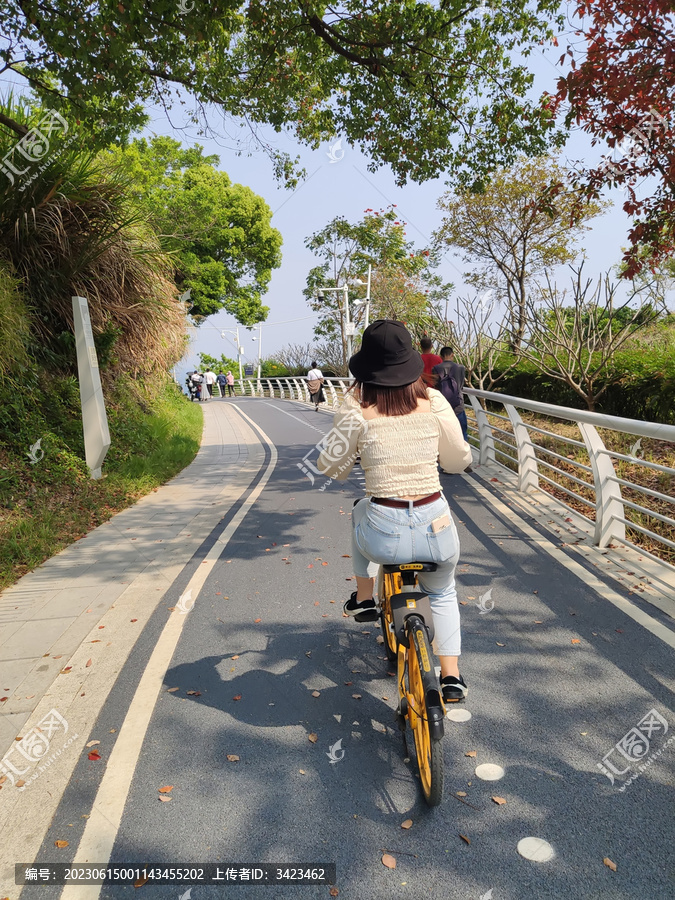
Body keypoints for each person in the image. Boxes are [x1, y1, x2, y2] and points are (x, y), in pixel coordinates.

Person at [317, 320, 473, 703]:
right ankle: (451, 676)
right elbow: (457, 462)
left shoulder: (355, 406)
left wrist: (357, 453)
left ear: (365, 369)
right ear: (412, 363)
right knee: (442, 592)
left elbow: (330, 468)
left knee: (359, 510)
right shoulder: (434, 401)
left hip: (383, 535)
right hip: (435, 527)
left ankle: (365, 597)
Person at [432, 347, 473, 473]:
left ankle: (445, 465)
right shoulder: (461, 368)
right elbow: (461, 386)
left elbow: (435, 385)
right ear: (452, 355)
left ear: (441, 355)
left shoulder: (436, 368)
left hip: (442, 407)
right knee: (462, 432)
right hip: (458, 404)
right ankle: (466, 463)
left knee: (442, 436)